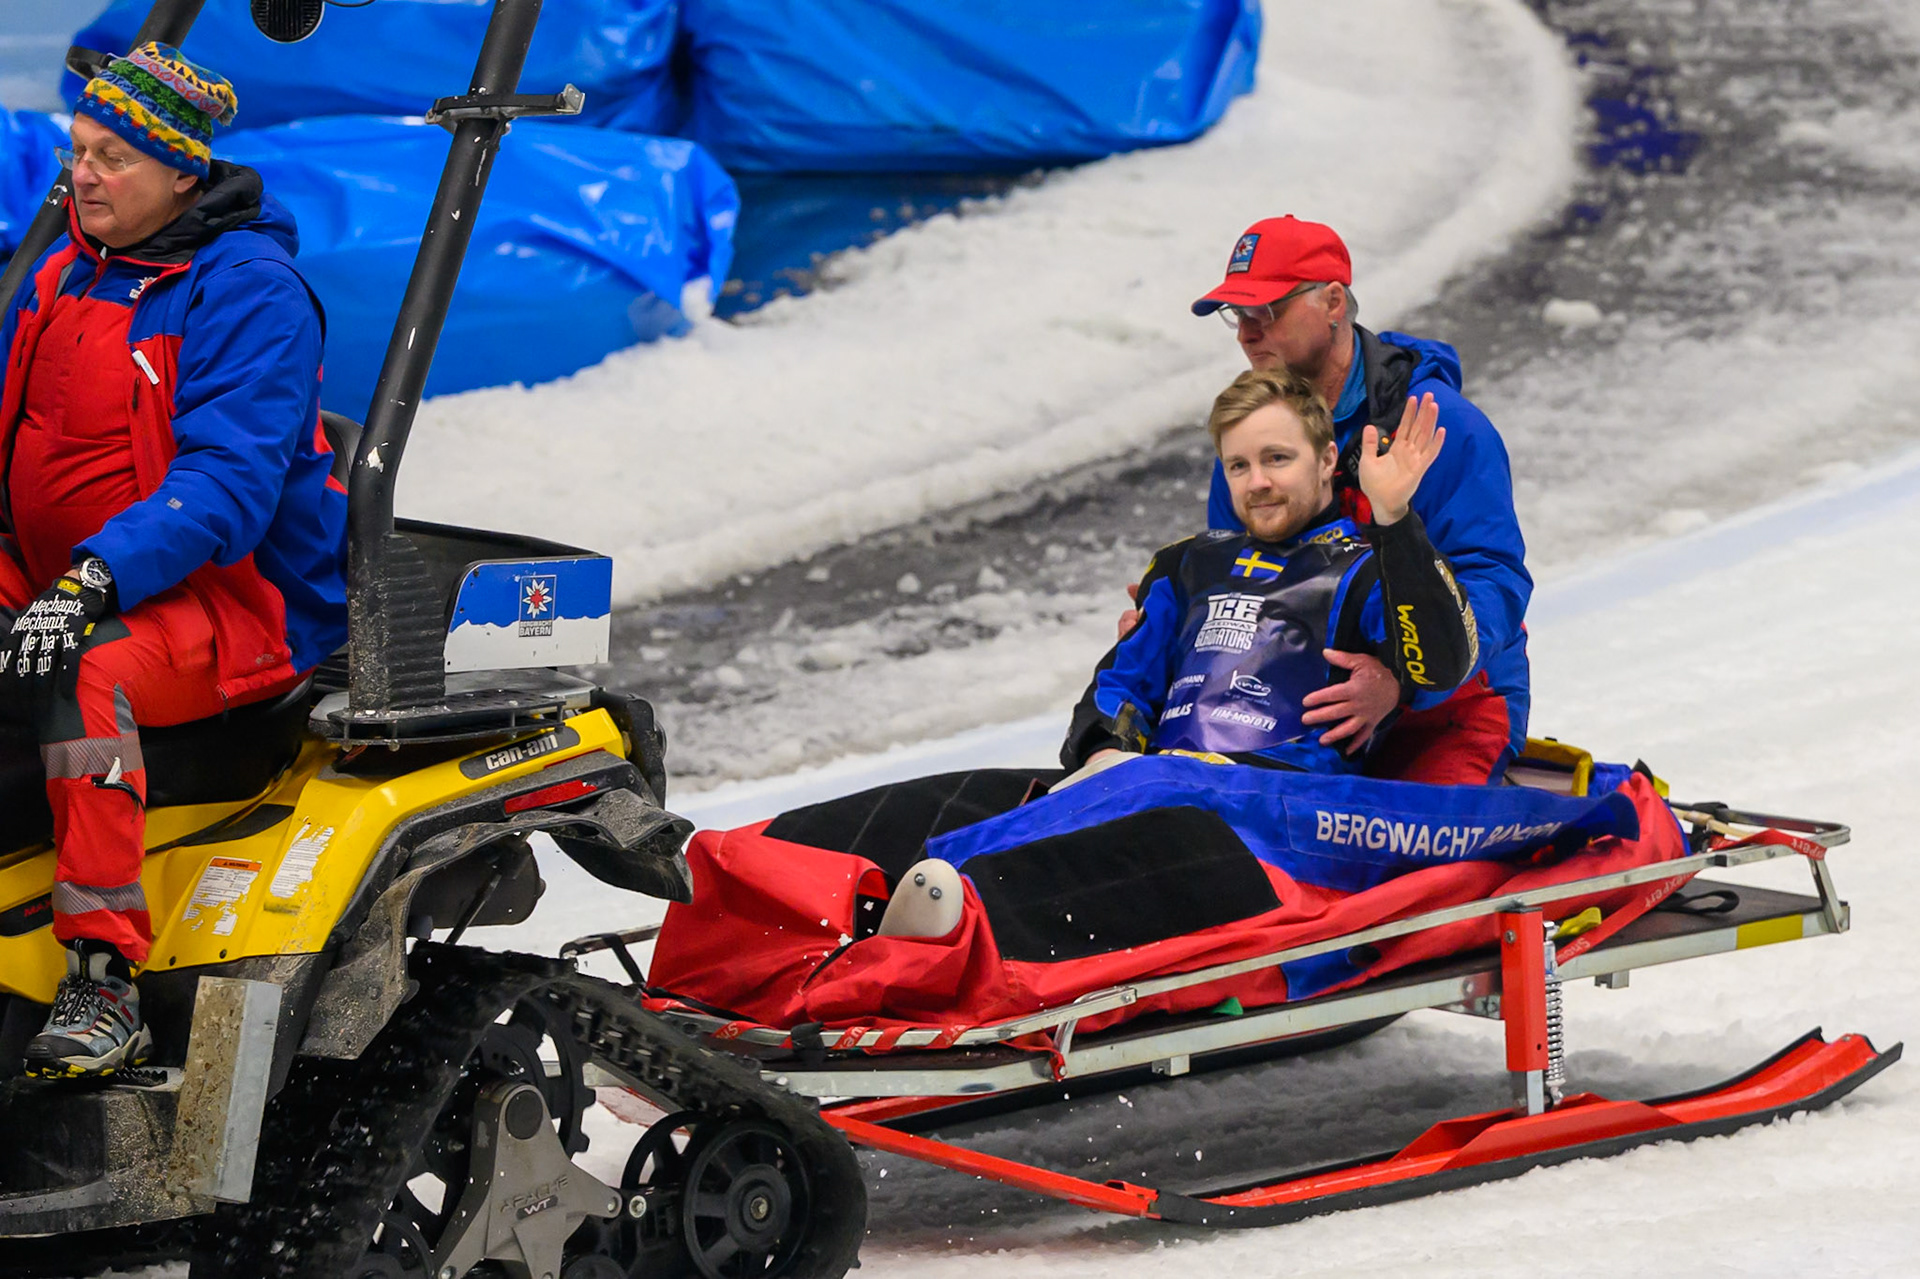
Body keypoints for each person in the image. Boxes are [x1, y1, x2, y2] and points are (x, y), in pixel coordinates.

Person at [0, 44, 347, 1076]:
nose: (85, 175)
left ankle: (105, 975)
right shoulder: (66, 271)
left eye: (114, 156)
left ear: (182, 171)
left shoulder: (249, 291)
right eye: (78, 150)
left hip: (226, 600)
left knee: (85, 667)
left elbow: (228, 490)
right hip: (58, 567)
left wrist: (86, 585)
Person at [1136, 215, 1531, 785]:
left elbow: (1493, 583)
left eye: (1266, 311)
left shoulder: (1440, 428)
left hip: (1451, 706)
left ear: (1333, 301)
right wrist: (1172, 624)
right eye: (1237, 315)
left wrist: (1400, 684)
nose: (1248, 333)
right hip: (1297, 695)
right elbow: (1244, 579)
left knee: (1398, 855)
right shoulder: (1255, 434)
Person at [1061, 366, 1476, 781]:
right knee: (995, 795)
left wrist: (1394, 519)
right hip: (1160, 785)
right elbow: (1122, 683)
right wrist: (1105, 757)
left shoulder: (1370, 569)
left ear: (1327, 459)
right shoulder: (1185, 563)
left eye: (1277, 458)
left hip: (1279, 798)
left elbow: (1440, 667)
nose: (1257, 482)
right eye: (1238, 466)